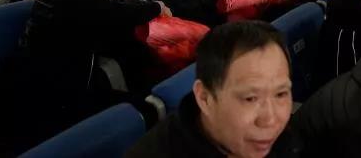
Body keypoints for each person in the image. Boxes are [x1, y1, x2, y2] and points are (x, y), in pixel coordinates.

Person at [0, 0, 169, 150]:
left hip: (53, 83)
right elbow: (116, 15)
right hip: (51, 99)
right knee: (149, 110)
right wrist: (157, 7)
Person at [127, 20, 301, 158]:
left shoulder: (283, 136)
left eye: (281, 94)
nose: (270, 120)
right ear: (205, 98)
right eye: (250, 98)